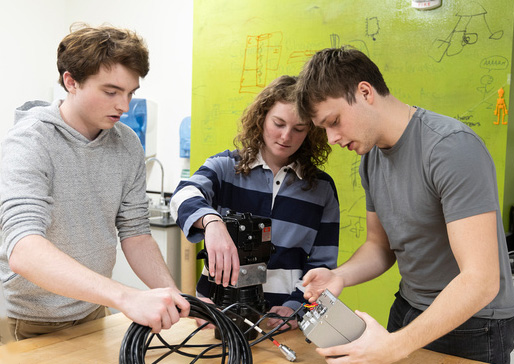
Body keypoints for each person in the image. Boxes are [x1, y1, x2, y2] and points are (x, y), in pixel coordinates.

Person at [295, 46, 514, 364]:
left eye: (335, 121)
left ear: (365, 92)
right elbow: (379, 246)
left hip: (474, 324)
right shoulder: (370, 158)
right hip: (409, 309)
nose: (331, 138)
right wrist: (339, 276)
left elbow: (480, 280)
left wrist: (396, 345)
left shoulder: (450, 148)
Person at [0, 24, 190, 341]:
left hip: (92, 311)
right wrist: (126, 297)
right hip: (29, 321)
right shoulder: (30, 141)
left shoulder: (127, 144)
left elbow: (136, 233)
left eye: (131, 93)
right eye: (111, 92)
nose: (124, 106)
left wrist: (171, 294)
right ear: (71, 82)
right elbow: (24, 249)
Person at [170, 75, 340, 329]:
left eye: (299, 129)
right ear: (261, 118)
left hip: (282, 323)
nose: (286, 136)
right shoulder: (225, 168)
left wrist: (297, 309)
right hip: (217, 315)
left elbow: (324, 267)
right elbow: (182, 195)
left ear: (311, 130)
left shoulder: (322, 189)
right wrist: (212, 223)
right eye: (278, 123)